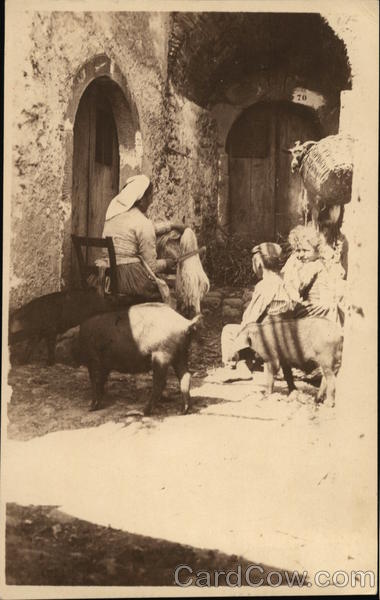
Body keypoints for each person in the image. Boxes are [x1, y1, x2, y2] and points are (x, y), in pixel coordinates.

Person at [94, 174, 185, 301]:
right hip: (128, 279)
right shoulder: (142, 222)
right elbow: (151, 267)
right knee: (166, 291)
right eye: (150, 196)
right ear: (141, 198)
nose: (151, 201)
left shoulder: (113, 216)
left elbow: (142, 229)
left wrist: (171, 225)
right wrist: (167, 263)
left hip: (105, 276)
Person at [217, 242, 296, 381]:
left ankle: (239, 367)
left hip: (264, 336)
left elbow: (250, 318)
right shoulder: (283, 281)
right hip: (280, 333)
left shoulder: (264, 286)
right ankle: (255, 363)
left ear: (258, 264)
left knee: (230, 330)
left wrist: (244, 326)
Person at [282, 224, 345, 324]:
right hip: (320, 307)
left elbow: (299, 287)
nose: (301, 255)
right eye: (298, 251)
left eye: (306, 250)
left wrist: (292, 274)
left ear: (317, 251)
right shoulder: (313, 263)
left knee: (288, 314)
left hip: (320, 309)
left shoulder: (314, 266)